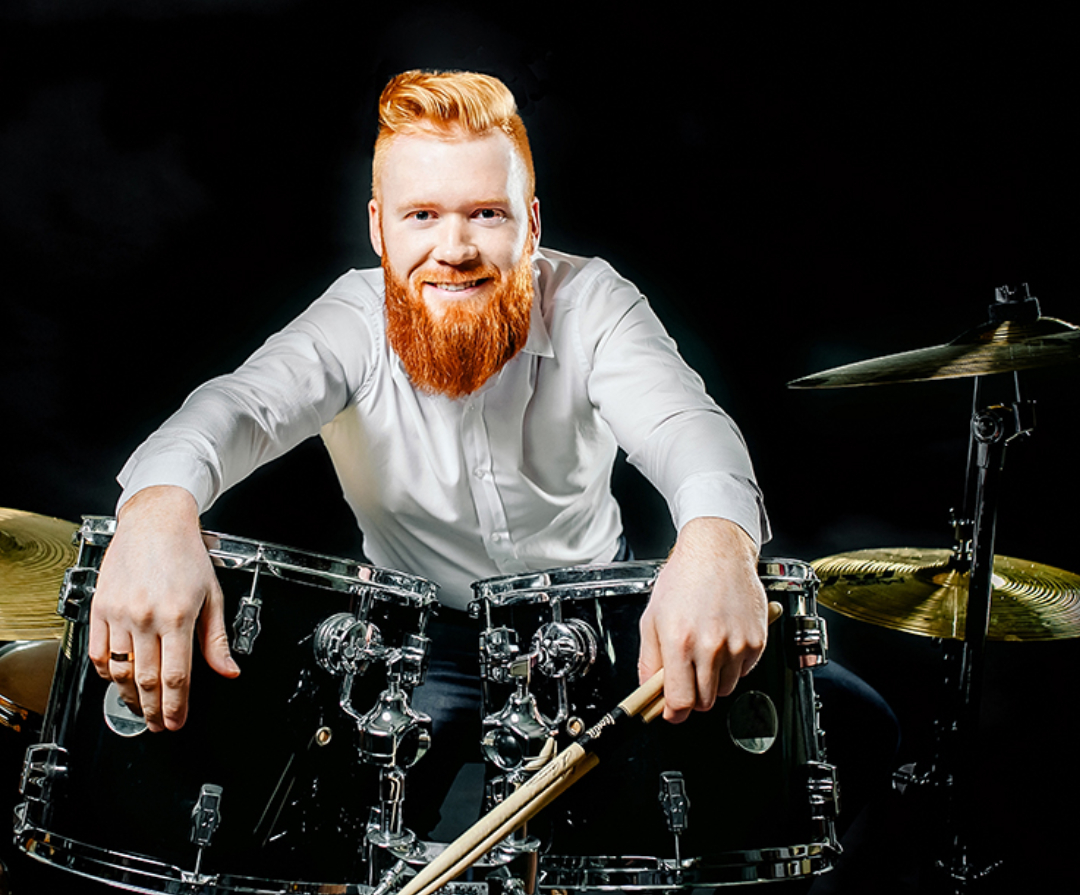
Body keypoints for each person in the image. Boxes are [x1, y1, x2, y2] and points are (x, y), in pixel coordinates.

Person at [88, 69, 771, 736]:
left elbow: (684, 423)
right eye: (422, 216)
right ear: (381, 231)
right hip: (419, 635)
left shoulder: (592, 300)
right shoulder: (353, 319)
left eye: (486, 214)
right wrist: (155, 508)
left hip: (593, 613)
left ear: (530, 225)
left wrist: (718, 539)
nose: (454, 249)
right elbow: (239, 408)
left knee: (832, 729)